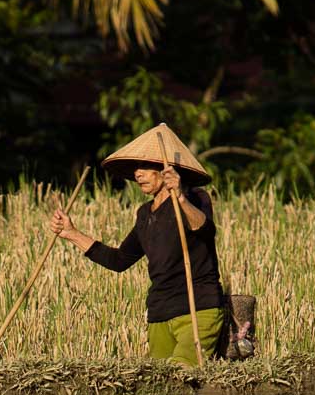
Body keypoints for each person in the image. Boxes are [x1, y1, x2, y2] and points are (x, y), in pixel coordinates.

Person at [48, 124, 225, 366]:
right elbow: (119, 260)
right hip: (160, 313)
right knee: (160, 382)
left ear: (166, 171)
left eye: (145, 167)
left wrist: (180, 197)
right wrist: (72, 233)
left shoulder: (195, 198)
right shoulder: (144, 215)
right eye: (135, 169)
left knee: (182, 375)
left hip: (197, 308)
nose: (137, 174)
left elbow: (204, 229)